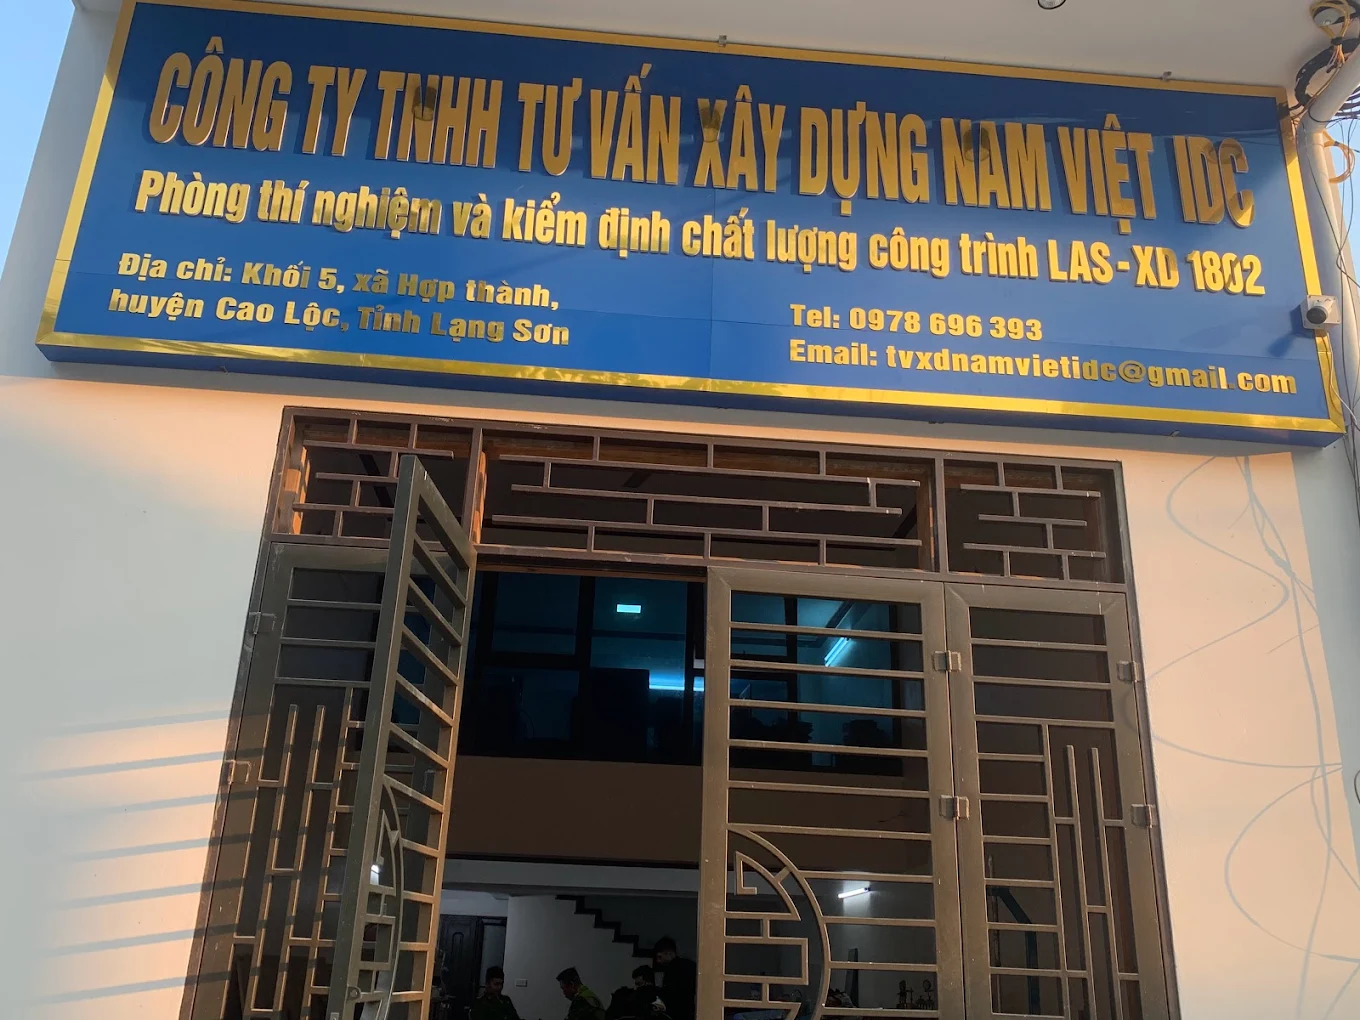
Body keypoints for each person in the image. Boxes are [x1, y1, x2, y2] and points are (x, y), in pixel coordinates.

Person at [652, 937, 696, 1020]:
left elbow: (670, 992)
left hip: (677, 1012)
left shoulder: (671, 969)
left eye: (660, 957)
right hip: (690, 1010)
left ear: (669, 953)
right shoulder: (691, 965)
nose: (658, 961)